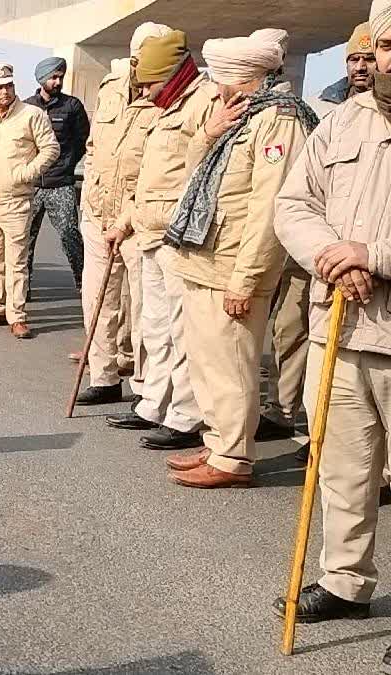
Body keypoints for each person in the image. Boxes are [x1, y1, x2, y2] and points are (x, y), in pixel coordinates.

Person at [273, 3, 391, 653]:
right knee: (342, 467)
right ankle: (346, 581)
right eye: (387, 43)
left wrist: (371, 254)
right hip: (339, 328)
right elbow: (294, 205)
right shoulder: (343, 119)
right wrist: (331, 254)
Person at [162, 33, 315, 489]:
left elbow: (270, 209)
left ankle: (233, 457)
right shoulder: (239, 114)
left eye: (220, 77)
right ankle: (218, 440)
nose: (214, 85)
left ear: (243, 78)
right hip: (205, 258)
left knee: (231, 363)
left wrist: (245, 280)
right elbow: (194, 176)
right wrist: (208, 134)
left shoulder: (281, 120)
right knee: (209, 361)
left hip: (233, 266)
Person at [262, 21, 376, 455]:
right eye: (354, 58)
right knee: (291, 330)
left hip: (367, 260)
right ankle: (283, 411)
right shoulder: (325, 107)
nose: (361, 66)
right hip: (316, 249)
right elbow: (300, 190)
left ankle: (338, 445)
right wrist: (323, 248)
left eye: (369, 57)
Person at [99, 31, 213, 450]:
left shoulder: (205, 102)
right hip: (148, 232)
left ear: (170, 74)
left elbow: (202, 175)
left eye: (148, 84)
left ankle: (185, 415)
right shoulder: (164, 106)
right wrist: (124, 222)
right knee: (155, 326)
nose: (144, 93)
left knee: (183, 330)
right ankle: (154, 403)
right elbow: (149, 179)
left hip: (180, 237)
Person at [76, 22, 172, 407]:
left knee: (144, 310)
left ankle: (144, 387)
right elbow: (95, 144)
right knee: (97, 300)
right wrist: (92, 199)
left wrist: (127, 217)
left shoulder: (164, 97)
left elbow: (159, 169)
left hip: (137, 220)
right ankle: (103, 376)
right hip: (98, 213)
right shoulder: (110, 89)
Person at [0, 63, 59, 339]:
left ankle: (16, 315)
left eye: (8, 86)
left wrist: (25, 173)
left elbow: (51, 149)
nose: (4, 91)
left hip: (16, 200)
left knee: (16, 261)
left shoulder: (32, 115)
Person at [24, 56, 90, 291]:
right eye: (53, 77)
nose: (57, 81)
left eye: (60, 77)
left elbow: (83, 141)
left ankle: (84, 282)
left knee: (70, 234)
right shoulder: (26, 107)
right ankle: (23, 286)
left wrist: (67, 164)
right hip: (31, 185)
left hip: (60, 183)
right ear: (42, 79)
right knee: (24, 239)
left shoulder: (72, 107)